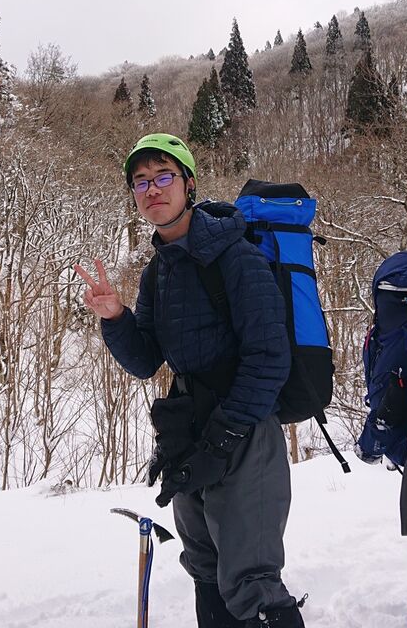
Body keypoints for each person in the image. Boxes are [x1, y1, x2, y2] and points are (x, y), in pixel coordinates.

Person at [74, 134, 305, 628]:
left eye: (163, 177)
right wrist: (115, 316)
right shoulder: (159, 270)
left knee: (251, 582)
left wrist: (224, 436)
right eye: (140, 182)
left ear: (189, 184)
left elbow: (269, 356)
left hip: (242, 431)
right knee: (205, 569)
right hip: (189, 432)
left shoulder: (235, 256)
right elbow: (145, 360)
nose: (151, 190)